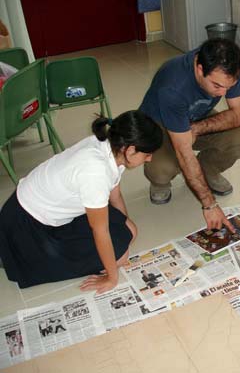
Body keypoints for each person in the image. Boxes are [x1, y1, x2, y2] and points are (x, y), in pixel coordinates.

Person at [0, 111, 163, 293]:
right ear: (131, 150)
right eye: (147, 154)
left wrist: (122, 228)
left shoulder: (112, 147)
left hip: (44, 209)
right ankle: (15, 255)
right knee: (120, 257)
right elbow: (100, 230)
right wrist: (111, 278)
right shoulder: (95, 171)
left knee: (130, 231)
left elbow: (115, 195)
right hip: (28, 228)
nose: (150, 159)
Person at [139, 38, 240, 232]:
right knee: (163, 168)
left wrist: (197, 128)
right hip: (159, 124)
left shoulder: (229, 68)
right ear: (199, 69)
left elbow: (239, 115)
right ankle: (159, 183)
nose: (223, 93)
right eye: (217, 86)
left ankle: (208, 170)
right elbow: (184, 153)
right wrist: (210, 205)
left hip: (196, 118)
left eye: (229, 87)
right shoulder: (173, 85)